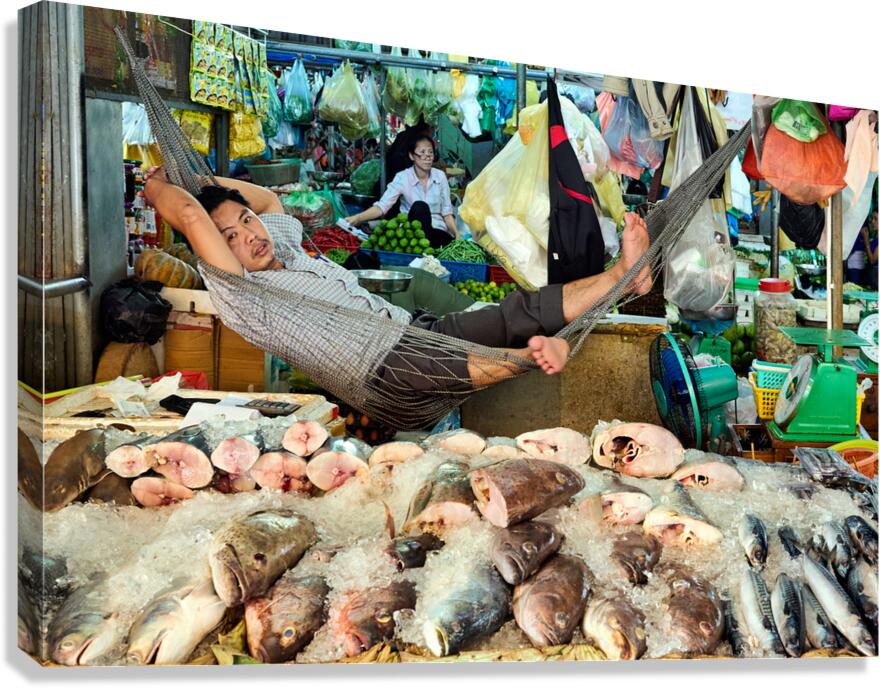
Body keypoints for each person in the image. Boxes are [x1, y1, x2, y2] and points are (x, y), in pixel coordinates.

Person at [143, 169, 652, 410]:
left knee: (515, 310)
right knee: (466, 360)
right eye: (228, 237)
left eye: (245, 222)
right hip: (384, 374)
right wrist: (156, 188)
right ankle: (531, 356)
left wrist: (210, 182)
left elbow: (268, 202)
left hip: (409, 331)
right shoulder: (245, 292)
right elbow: (190, 215)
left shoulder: (284, 248)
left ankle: (622, 278)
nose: (247, 236)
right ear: (217, 251)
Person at [344, 135, 458, 248]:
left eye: (430, 153)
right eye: (422, 152)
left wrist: (457, 235)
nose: (427, 157)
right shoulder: (402, 177)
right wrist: (357, 218)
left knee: (444, 239)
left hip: (436, 233)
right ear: (411, 155)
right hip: (412, 237)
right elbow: (382, 207)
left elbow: (447, 213)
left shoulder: (440, 176)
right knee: (420, 207)